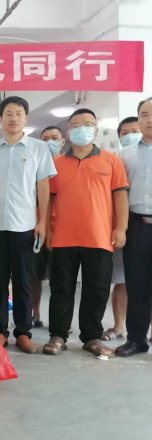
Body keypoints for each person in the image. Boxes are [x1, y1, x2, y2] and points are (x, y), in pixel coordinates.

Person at [43, 109, 129, 357]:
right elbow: (49, 199)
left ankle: (91, 336)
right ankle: (58, 335)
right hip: (63, 236)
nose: (83, 129)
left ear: (96, 128)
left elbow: (120, 196)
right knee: (61, 288)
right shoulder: (56, 163)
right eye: (76, 125)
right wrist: (47, 228)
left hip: (99, 236)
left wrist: (121, 228)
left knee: (97, 289)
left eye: (88, 124)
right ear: (69, 130)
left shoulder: (111, 161)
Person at [0, 96, 56, 353]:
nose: (13, 118)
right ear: (0, 118)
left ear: (26, 118)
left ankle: (23, 332)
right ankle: (0, 331)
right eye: (8, 114)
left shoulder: (39, 148)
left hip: (25, 225)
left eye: (18, 113)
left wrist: (42, 221)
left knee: (24, 280)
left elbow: (43, 186)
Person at [116, 98, 152, 357]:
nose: (150, 119)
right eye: (145, 114)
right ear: (138, 119)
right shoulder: (124, 155)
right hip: (136, 225)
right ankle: (137, 339)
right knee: (137, 285)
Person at [102, 117, 141, 341]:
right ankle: (118, 326)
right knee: (122, 279)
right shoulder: (116, 159)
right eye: (125, 132)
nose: (130, 135)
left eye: (134, 130)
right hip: (123, 223)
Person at [30, 126, 66, 328]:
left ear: (62, 141)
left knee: (59, 279)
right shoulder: (34, 163)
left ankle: (59, 321)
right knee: (33, 276)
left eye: (54, 138)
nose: (49, 142)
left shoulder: (67, 165)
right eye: (45, 138)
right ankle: (34, 313)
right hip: (35, 228)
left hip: (61, 230)